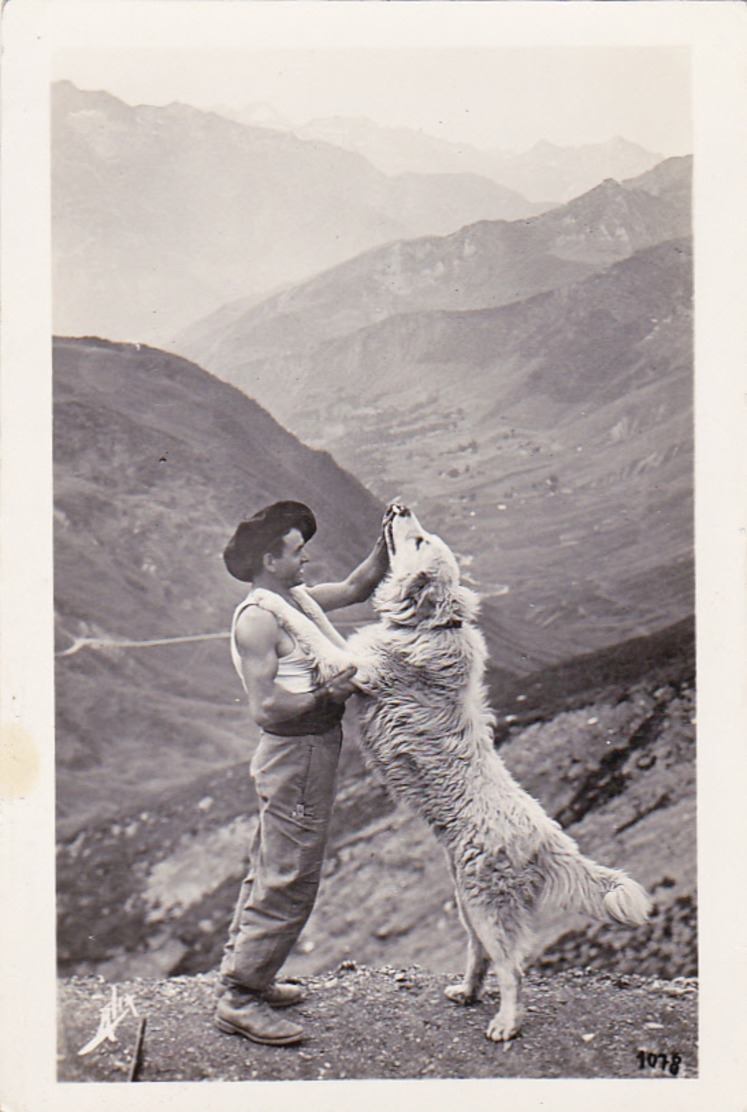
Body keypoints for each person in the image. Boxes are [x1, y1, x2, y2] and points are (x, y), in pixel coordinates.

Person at [215, 500, 389, 1045]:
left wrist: (392, 538)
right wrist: (325, 692)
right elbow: (265, 708)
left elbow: (360, 587)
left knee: (272, 864)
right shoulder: (261, 619)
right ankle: (241, 998)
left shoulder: (295, 603)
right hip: (296, 752)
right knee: (291, 876)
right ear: (269, 559)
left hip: (310, 749)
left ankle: (246, 978)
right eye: (297, 552)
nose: (306, 560)